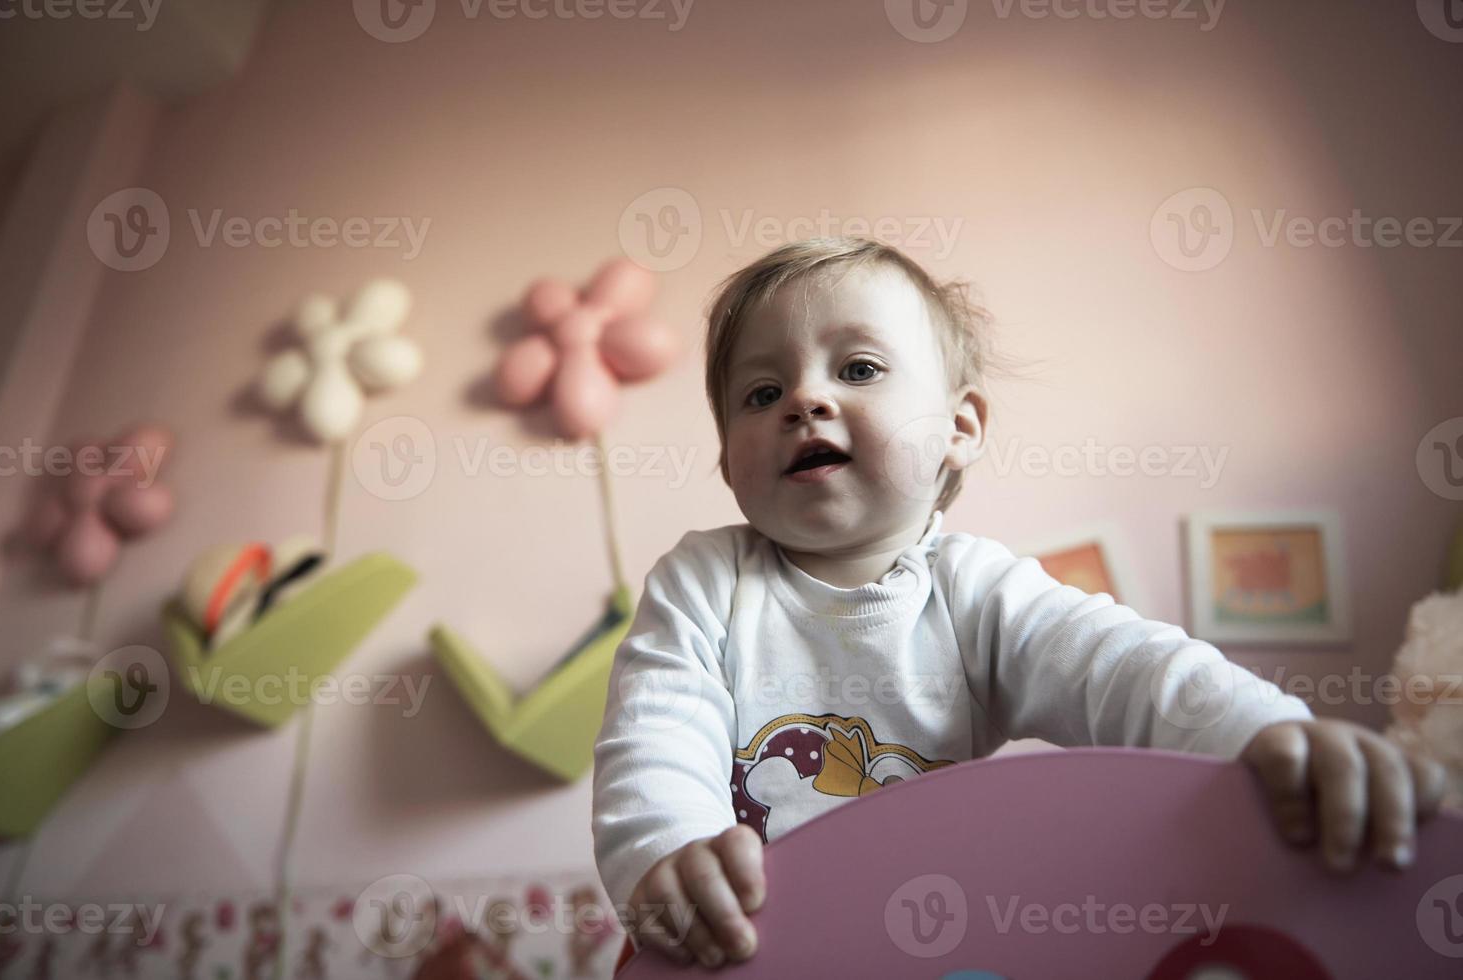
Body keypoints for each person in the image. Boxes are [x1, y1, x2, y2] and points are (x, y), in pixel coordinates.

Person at [591, 237, 1447, 972]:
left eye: (857, 369)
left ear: (959, 427)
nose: (803, 401)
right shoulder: (704, 580)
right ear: (726, 458)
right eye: (759, 393)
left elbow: (1127, 671)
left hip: (925, 936)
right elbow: (654, 731)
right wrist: (670, 854)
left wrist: (1269, 735)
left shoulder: (977, 591)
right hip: (732, 945)